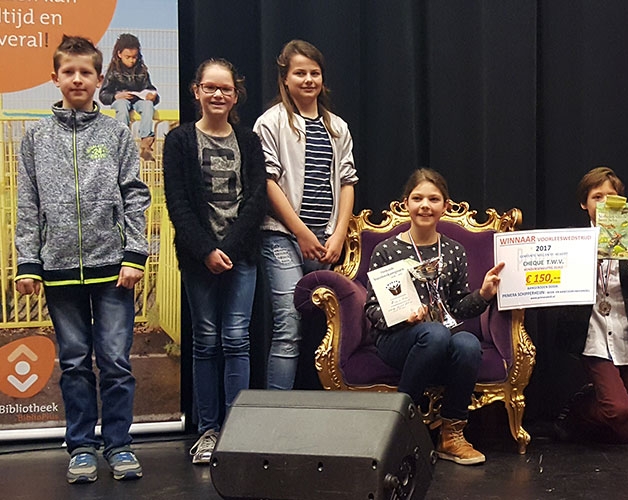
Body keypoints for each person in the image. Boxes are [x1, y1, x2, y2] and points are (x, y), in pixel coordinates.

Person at [15, 35, 150, 483]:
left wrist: (134, 254)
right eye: (68, 72)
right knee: (73, 362)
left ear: (99, 79)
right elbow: (28, 204)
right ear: (55, 78)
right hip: (57, 270)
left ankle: (120, 444)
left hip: (113, 269)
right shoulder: (36, 136)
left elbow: (135, 196)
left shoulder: (115, 134)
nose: (77, 79)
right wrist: (28, 261)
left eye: (85, 72)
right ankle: (81, 447)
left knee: (115, 360)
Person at [162, 59, 267, 464]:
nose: (218, 95)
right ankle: (208, 431)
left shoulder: (249, 140)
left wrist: (232, 248)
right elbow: (178, 203)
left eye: (225, 89)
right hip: (197, 258)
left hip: (241, 256)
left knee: (237, 340)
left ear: (235, 94)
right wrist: (206, 250)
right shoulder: (180, 140)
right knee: (205, 342)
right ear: (196, 91)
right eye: (210, 87)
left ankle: (235, 431)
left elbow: (257, 198)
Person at [364, 168, 504, 465]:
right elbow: (371, 309)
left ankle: (451, 434)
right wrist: (404, 317)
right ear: (405, 204)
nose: (425, 205)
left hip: (438, 337)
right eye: (417, 198)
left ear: (445, 206)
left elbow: (458, 306)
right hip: (395, 340)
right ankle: (399, 425)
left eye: (433, 199)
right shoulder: (386, 249)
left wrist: (485, 294)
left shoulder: (454, 250)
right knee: (436, 334)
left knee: (466, 343)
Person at [254, 39, 358, 390]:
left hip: (325, 239)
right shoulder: (271, 122)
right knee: (288, 325)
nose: (308, 79)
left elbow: (347, 181)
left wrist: (338, 234)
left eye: (315, 73)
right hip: (283, 236)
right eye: (300, 73)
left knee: (331, 327)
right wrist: (300, 232)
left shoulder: (337, 126)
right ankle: (275, 417)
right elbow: (267, 182)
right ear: (285, 79)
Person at [554, 167, 628, 444]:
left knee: (625, 430)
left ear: (620, 202)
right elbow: (556, 292)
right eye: (596, 197)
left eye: (610, 197)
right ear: (584, 203)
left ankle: (587, 404)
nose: (602, 203)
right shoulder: (572, 241)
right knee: (621, 416)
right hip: (593, 337)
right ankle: (576, 411)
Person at [99, 33, 159, 161]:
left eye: (134, 57)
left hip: (139, 100)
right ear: (119, 54)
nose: (132, 60)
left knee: (148, 106)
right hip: (121, 100)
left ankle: (146, 142)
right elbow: (103, 95)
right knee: (122, 105)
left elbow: (151, 89)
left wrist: (152, 96)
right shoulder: (113, 72)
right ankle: (122, 140)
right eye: (128, 57)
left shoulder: (142, 70)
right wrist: (116, 96)